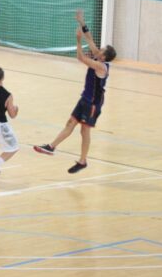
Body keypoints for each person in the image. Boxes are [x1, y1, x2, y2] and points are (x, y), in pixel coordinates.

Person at [33, 11, 117, 173]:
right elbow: (90, 39)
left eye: (101, 49)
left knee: (84, 130)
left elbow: (80, 58)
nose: (97, 49)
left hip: (93, 103)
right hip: (85, 99)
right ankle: (51, 147)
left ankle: (83, 160)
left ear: (104, 55)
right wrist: (82, 21)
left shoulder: (101, 66)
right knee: (70, 123)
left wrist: (77, 40)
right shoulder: (99, 57)